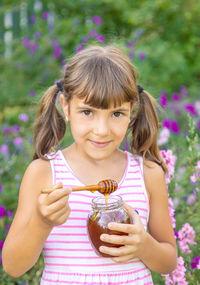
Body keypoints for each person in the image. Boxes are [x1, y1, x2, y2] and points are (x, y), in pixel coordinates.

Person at [2, 45, 177, 284]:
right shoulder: (44, 173)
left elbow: (168, 262)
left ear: (131, 111)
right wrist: (42, 222)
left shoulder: (147, 174)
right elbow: (13, 266)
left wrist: (144, 245)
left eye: (116, 114)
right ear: (66, 106)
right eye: (87, 112)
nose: (102, 130)